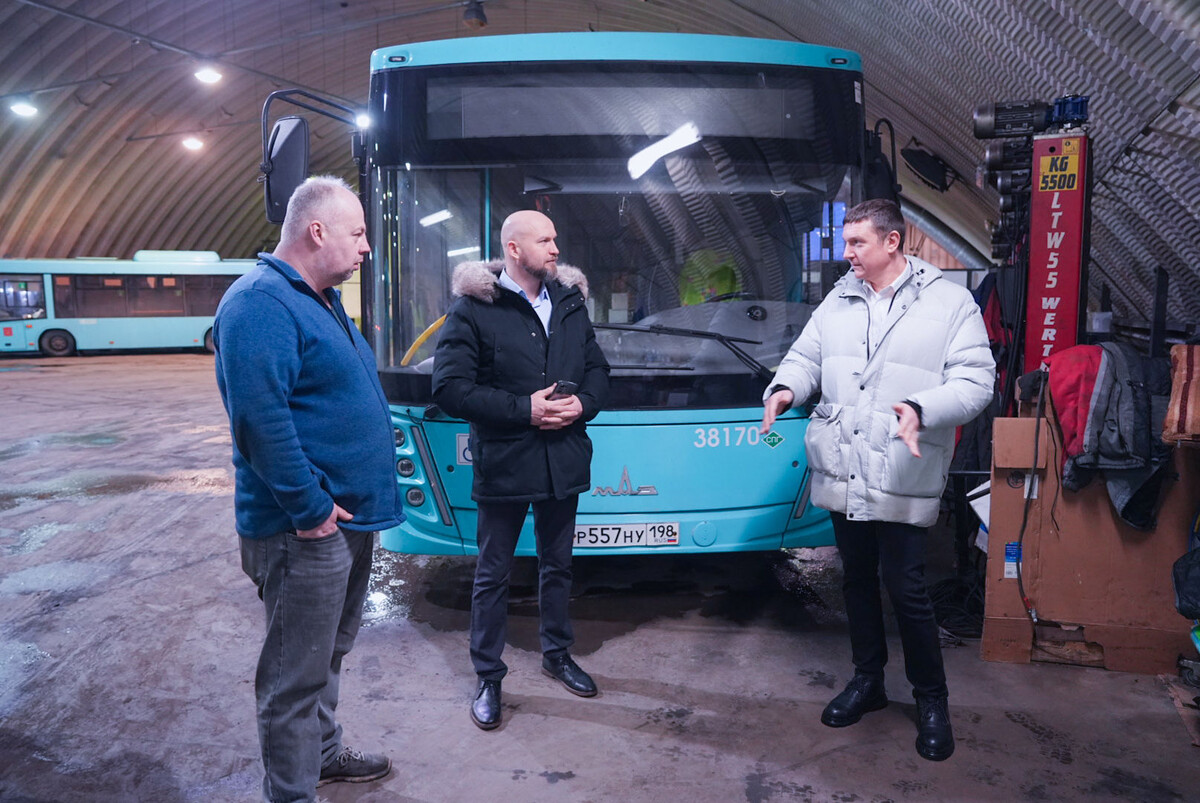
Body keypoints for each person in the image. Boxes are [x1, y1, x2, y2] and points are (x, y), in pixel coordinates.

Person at [760, 198, 994, 761]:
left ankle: (931, 699)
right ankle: (868, 681)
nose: (847, 253)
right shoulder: (839, 299)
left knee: (906, 588)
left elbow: (975, 381)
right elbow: (805, 357)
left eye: (856, 242)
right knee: (857, 580)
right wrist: (786, 388)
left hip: (900, 467)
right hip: (845, 465)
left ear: (892, 242)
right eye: (846, 242)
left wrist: (922, 406)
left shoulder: (949, 303)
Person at [213, 175, 405, 801]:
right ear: (316, 231)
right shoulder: (260, 303)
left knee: (328, 653)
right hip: (303, 530)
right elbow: (260, 421)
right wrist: (310, 508)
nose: (367, 247)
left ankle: (322, 756)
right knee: (293, 677)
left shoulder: (317, 298)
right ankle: (292, 793)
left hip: (343, 521)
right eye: (358, 233)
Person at [432, 209, 610, 730]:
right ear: (513, 248)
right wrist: (523, 410)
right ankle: (489, 676)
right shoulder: (474, 309)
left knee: (559, 566)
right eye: (544, 240)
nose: (555, 249)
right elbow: (449, 388)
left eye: (556, 238)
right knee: (493, 574)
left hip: (563, 460)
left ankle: (557, 655)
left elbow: (598, 370)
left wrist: (584, 405)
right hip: (506, 463)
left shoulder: (570, 303)